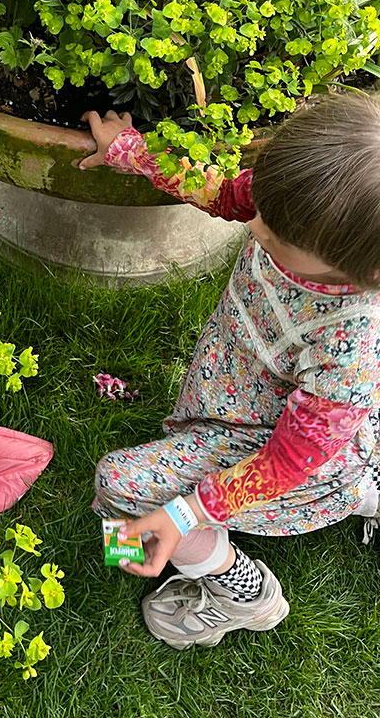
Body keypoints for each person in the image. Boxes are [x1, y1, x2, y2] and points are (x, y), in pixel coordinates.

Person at [80, 95, 380, 650]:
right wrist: (129, 152)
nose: (255, 225)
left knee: (121, 485)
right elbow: (222, 193)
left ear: (362, 270)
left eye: (278, 236)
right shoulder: (297, 209)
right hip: (253, 392)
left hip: (275, 445)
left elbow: (287, 461)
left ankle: (240, 593)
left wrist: (184, 511)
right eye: (263, 205)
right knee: (345, 453)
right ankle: (365, 489)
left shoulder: (350, 346)